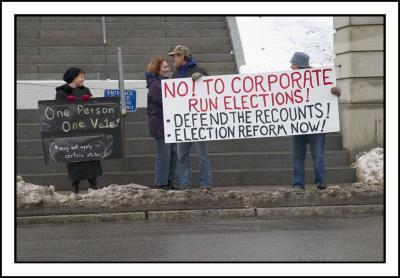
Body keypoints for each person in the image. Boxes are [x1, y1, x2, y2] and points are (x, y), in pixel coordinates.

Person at [289, 52, 341, 191]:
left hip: (316, 126)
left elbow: (331, 92)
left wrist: (335, 91)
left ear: (300, 65)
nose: (291, 67)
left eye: (293, 64)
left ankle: (321, 181)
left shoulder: (319, 78)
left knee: (318, 155)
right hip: (299, 124)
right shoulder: (288, 80)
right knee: (298, 157)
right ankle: (298, 184)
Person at [168, 45, 212, 191]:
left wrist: (203, 79)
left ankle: (205, 185)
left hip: (199, 120)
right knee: (182, 156)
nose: (173, 59)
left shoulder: (200, 71)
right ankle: (184, 185)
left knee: (202, 155)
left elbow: (214, 88)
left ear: (183, 57)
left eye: (176, 56)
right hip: (182, 121)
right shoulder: (175, 75)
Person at [55, 67, 102, 194]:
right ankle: (75, 187)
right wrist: (69, 105)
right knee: (74, 158)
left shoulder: (85, 90)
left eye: (83, 76)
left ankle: (93, 185)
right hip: (71, 133)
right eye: (81, 76)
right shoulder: (62, 92)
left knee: (91, 157)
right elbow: (58, 112)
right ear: (73, 77)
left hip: (87, 130)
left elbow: (94, 108)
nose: (83, 79)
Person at [145, 56, 177, 190]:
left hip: (169, 124)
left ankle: (168, 181)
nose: (167, 69)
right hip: (160, 124)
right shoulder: (156, 85)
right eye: (164, 67)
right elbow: (164, 103)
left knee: (173, 153)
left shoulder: (165, 83)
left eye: (167, 67)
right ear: (157, 70)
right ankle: (160, 183)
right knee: (164, 154)